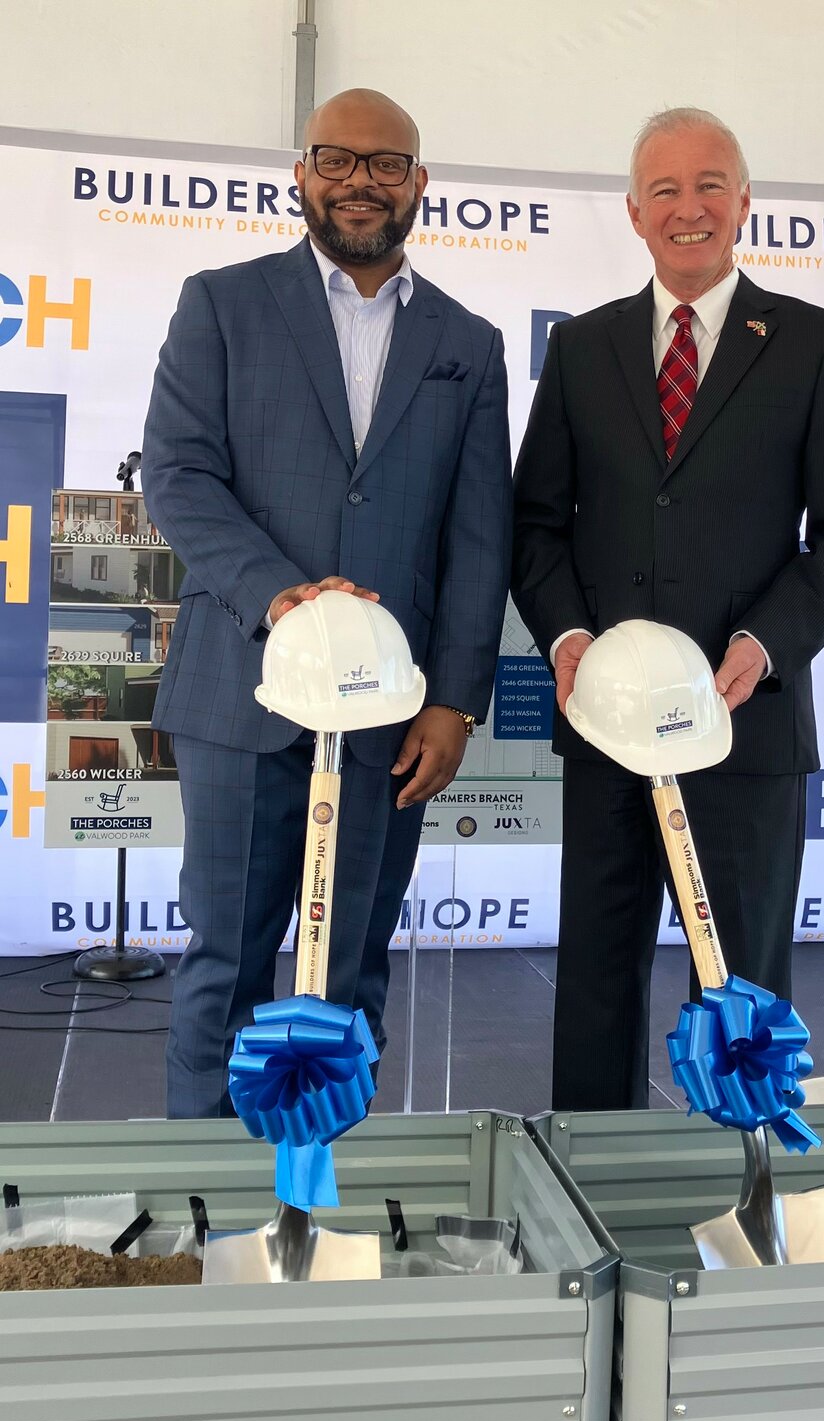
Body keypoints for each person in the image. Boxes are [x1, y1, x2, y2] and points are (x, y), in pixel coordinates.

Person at [142, 89, 513, 1117]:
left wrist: (456, 700)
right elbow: (177, 476)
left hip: (389, 713)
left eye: (387, 164)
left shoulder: (468, 345)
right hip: (239, 693)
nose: (362, 181)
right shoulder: (220, 302)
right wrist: (283, 597)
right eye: (338, 160)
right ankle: (206, 1211)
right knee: (225, 966)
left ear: (420, 185)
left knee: (347, 974)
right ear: (300, 176)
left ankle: (328, 1202)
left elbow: (479, 537)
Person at [512, 107, 824, 1111]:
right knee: (594, 979)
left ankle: (748, 1180)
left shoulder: (814, 345)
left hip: (744, 723)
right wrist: (571, 637)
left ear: (745, 202)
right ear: (633, 214)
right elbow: (535, 525)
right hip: (604, 725)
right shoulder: (582, 350)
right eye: (665, 191)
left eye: (709, 185)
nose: (689, 209)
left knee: (743, 985)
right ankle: (589, 1184)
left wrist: (764, 644)